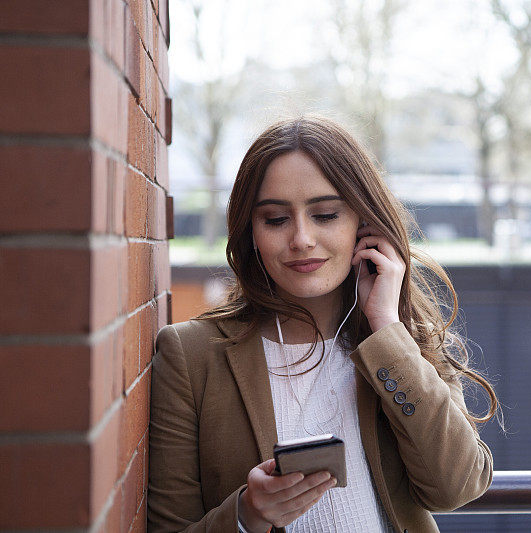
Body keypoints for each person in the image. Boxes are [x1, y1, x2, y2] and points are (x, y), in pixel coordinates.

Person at [147, 114, 499, 533]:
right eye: (276, 219)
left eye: (326, 214)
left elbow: (457, 486)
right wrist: (247, 515)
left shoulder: (401, 343)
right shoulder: (189, 356)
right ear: (251, 232)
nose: (301, 239)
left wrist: (386, 326)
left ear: (364, 224)